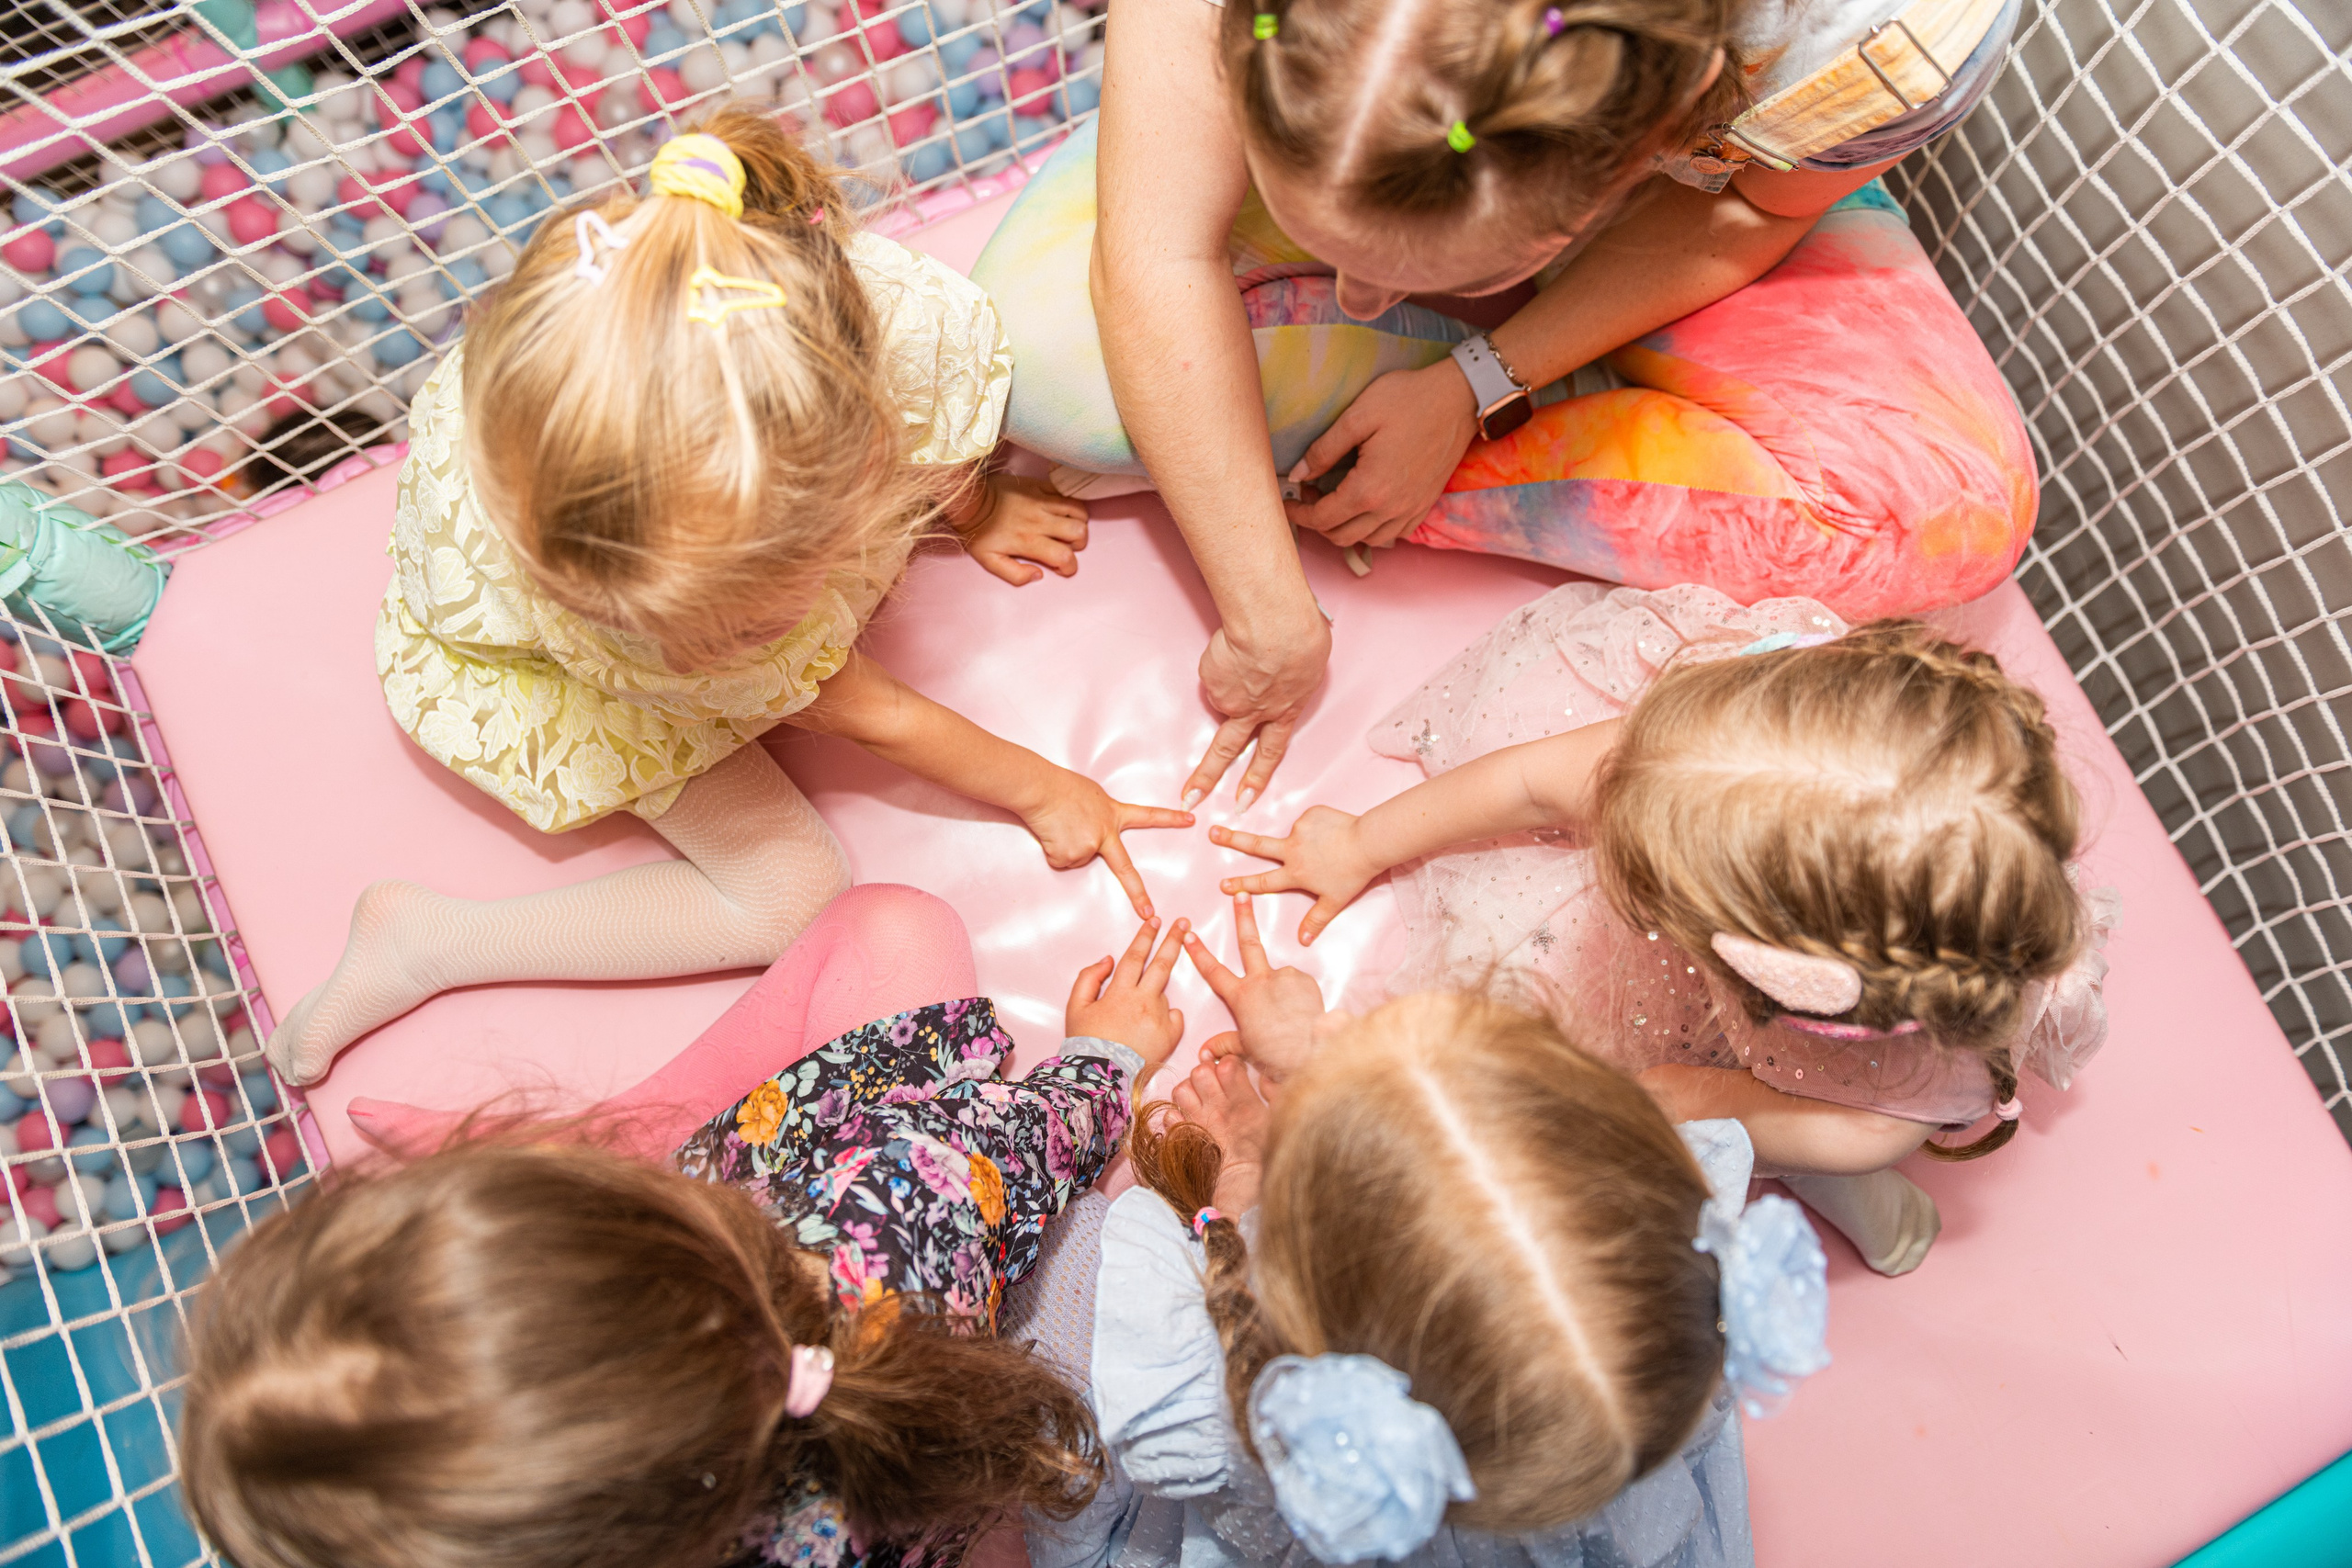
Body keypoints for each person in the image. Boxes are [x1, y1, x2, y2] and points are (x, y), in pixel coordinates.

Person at [267, 105, 1189, 1085]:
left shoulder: (883, 337)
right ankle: (433, 942)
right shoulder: (622, 572)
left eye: (741, 622)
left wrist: (978, 505)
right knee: (794, 897)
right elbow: (876, 715)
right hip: (543, 659)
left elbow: (937, 423)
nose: (714, 652)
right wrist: (1051, 792)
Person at [972, 0, 2034, 808]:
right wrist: (1266, 612)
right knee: (1024, 358)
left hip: (1719, 193)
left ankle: (1405, 409)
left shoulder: (1892, 36)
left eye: (1406, 275)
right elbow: (1157, 252)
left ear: (1656, 133)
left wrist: (1478, 383)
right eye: (1346, 260)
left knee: (1937, 518)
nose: (1362, 300)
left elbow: (1751, 201)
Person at [180, 888, 1191, 1568]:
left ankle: (644, 1128)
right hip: (915, 1291)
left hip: (894, 1469)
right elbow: (1028, 1141)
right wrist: (1107, 1058)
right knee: (889, 924)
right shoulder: (892, 1212)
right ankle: (644, 1128)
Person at [1210, 586, 2114, 1275]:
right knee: (1770, 1121)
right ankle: (1788, 1144)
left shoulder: (1872, 1119)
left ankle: (1805, 1168)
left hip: (1825, 1091)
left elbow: (1667, 1097)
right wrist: (1364, 842)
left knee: (1750, 1132)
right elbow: (1532, 784)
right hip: (1842, 1010)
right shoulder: (1735, 752)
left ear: (1754, 968)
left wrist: (1353, 1069)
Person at [1031, 942, 1830, 1568]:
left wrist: (1242, 1171)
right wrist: (1315, 1063)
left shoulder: (1240, 1406)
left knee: (1066, 1276)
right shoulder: (1651, 1334)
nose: (1343, 1026)